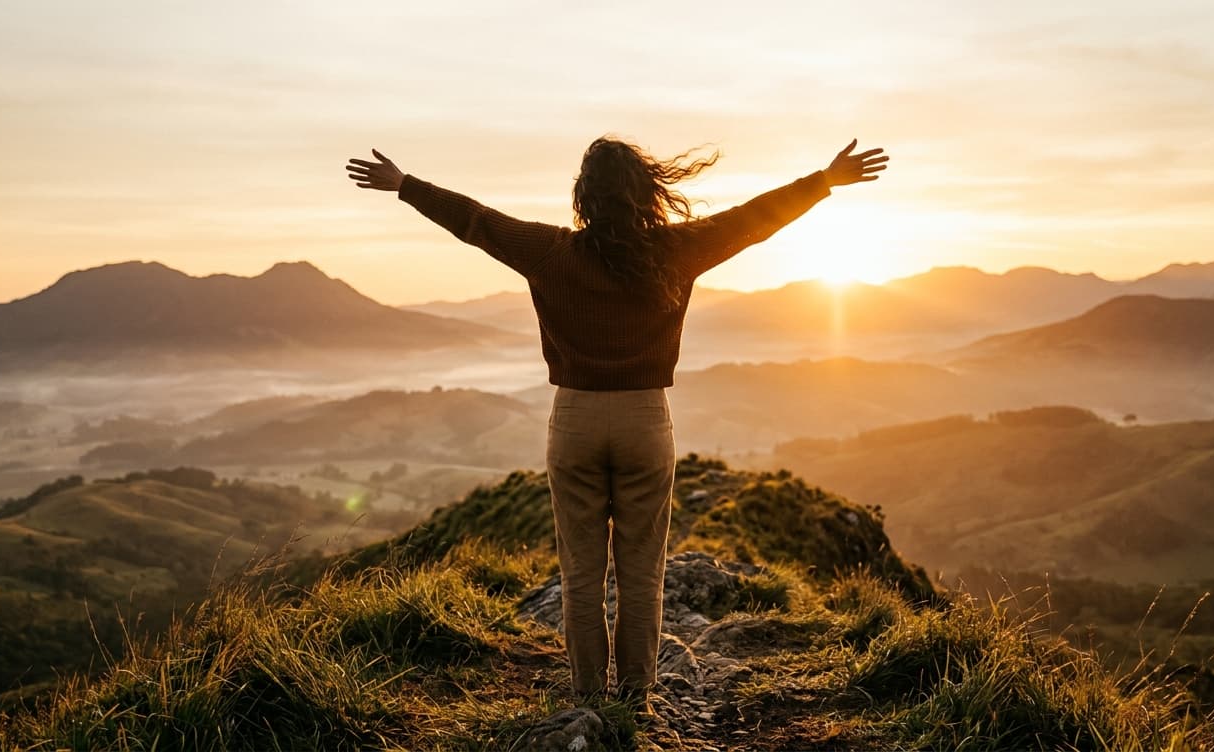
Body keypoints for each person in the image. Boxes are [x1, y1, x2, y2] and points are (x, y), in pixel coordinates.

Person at [344, 136, 887, 710]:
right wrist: (823, 181)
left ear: (584, 196)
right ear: (644, 193)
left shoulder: (550, 251)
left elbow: (478, 221)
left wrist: (406, 186)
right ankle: (635, 696)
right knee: (642, 571)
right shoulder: (675, 250)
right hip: (645, 420)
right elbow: (751, 219)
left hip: (575, 418)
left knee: (580, 573)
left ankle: (585, 695)